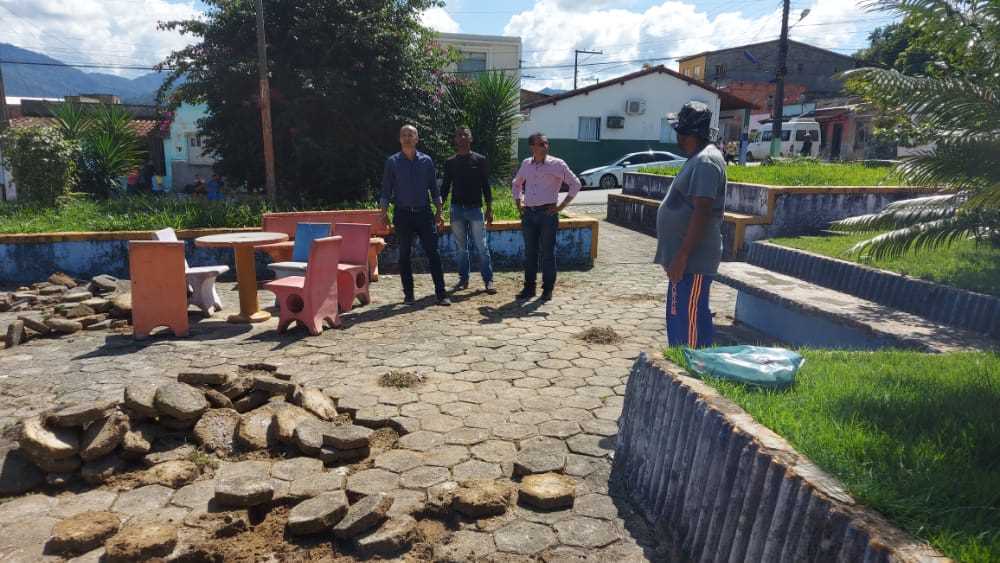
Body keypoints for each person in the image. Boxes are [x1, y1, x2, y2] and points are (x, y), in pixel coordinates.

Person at [654, 101, 727, 348]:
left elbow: (702, 211)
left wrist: (683, 256)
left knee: (690, 324)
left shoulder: (706, 162)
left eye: (680, 133)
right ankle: (682, 365)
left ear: (690, 134)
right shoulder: (698, 158)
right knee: (680, 319)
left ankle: (694, 374)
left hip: (692, 262)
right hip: (684, 261)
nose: (678, 139)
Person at [380, 124, 451, 306]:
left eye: (411, 134)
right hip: (403, 215)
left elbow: (434, 189)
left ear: (417, 138)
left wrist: (439, 212)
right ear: (399, 139)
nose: (407, 137)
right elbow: (386, 190)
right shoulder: (392, 162)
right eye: (404, 134)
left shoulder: (426, 161)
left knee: (433, 253)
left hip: (424, 214)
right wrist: (384, 213)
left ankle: (441, 294)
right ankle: (409, 295)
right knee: (404, 255)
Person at [511, 132, 581, 301]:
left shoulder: (557, 164)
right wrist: (518, 203)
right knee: (530, 253)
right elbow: (516, 183)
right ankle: (529, 288)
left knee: (548, 253)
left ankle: (547, 289)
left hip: (547, 215)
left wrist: (561, 207)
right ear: (532, 147)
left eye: (546, 143)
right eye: (541, 144)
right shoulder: (526, 164)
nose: (545, 147)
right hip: (529, 214)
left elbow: (575, 184)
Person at [441, 126, 495, 294]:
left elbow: (486, 186)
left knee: (482, 246)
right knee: (461, 248)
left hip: (475, 209)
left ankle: (488, 280)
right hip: (457, 209)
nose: (462, 137)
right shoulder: (450, 162)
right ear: (455, 140)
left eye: (465, 134)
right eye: (459, 135)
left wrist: (489, 208)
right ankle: (463, 279)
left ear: (470, 139)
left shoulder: (480, 160)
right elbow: (445, 187)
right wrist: (439, 210)